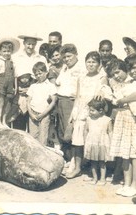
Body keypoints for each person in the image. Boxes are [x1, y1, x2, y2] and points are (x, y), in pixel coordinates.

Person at [66, 51, 112, 179]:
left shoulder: (102, 77)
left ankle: (95, 172)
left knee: (93, 141)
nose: (90, 64)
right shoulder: (82, 77)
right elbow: (77, 96)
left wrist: (102, 92)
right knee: (77, 141)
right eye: (88, 62)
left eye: (93, 62)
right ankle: (77, 167)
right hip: (80, 111)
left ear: (99, 64)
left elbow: (104, 92)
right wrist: (73, 113)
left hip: (93, 114)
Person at [110, 56, 136, 197]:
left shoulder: (132, 84)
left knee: (134, 154)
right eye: (114, 73)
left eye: (118, 72)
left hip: (133, 120)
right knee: (125, 152)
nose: (116, 76)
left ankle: (134, 185)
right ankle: (127, 184)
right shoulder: (122, 85)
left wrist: (121, 100)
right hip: (123, 119)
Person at [55, 44, 84, 164]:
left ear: (76, 54)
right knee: (62, 131)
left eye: (69, 56)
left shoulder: (81, 68)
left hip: (71, 101)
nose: (66, 59)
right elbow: (58, 82)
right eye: (64, 57)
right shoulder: (64, 68)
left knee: (70, 132)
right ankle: (68, 158)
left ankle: (75, 161)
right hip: (60, 100)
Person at [12, 34, 46, 130]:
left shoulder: (41, 58)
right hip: (19, 93)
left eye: (33, 44)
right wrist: (16, 88)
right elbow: (12, 75)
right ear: (24, 43)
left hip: (35, 94)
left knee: (33, 126)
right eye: (28, 44)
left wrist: (30, 89)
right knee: (18, 125)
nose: (30, 47)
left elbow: (43, 78)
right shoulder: (15, 57)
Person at [84, 99, 113, 186]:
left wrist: (111, 143)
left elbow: (110, 132)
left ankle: (102, 179)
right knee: (93, 162)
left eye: (92, 110)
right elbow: (86, 130)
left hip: (102, 144)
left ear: (100, 110)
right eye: (90, 110)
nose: (90, 112)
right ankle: (94, 178)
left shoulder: (107, 120)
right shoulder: (88, 119)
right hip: (92, 143)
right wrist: (86, 141)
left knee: (102, 162)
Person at [27, 61, 57, 145]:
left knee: (43, 137)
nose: (38, 76)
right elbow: (28, 101)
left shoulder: (51, 86)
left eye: (40, 73)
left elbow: (53, 101)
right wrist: (31, 114)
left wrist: (43, 114)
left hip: (44, 114)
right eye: (36, 75)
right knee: (33, 137)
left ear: (46, 73)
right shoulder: (33, 86)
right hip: (33, 114)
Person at [0, 37, 20, 128]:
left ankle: (4, 121)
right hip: (1, 83)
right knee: (1, 103)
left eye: (8, 51)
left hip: (10, 85)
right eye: (4, 51)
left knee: (7, 104)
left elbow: (15, 76)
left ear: (11, 51)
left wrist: (15, 86)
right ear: (0, 52)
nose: (6, 53)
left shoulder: (13, 62)